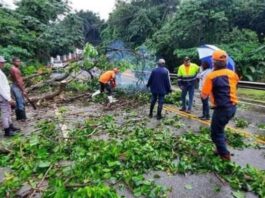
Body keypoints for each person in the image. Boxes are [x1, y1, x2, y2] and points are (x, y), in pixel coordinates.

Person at [201, 50, 239, 161]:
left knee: (215, 132)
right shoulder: (233, 74)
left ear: (214, 62)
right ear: (225, 62)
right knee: (220, 128)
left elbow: (204, 96)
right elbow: (235, 86)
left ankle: (225, 155)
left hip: (221, 109)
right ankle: (220, 147)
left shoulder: (211, 76)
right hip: (232, 107)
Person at [0, 56, 19, 137]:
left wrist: (9, 97)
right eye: (2, 62)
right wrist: (8, 99)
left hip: (6, 96)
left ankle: (11, 126)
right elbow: (1, 88)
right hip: (3, 97)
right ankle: (7, 131)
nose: (3, 63)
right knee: (5, 113)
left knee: (8, 111)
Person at [10, 57, 27, 121]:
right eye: (17, 61)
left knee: (17, 102)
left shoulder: (13, 68)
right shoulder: (15, 69)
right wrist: (23, 90)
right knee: (20, 101)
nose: (19, 62)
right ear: (13, 62)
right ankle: (23, 118)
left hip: (14, 86)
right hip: (17, 87)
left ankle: (18, 117)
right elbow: (18, 81)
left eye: (19, 61)